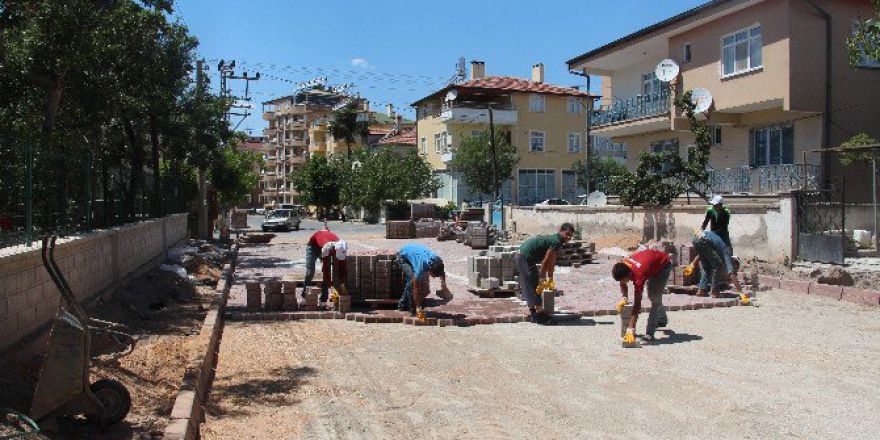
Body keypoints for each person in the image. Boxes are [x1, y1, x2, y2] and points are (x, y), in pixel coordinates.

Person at [515, 223, 575, 325]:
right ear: (561, 231)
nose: (568, 237)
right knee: (533, 285)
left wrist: (550, 277)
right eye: (567, 234)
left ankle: (537, 312)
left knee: (533, 284)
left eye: (571, 235)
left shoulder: (558, 241)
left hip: (526, 256)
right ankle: (536, 314)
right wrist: (543, 277)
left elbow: (552, 260)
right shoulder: (557, 240)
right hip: (524, 256)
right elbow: (545, 261)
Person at [612, 249, 673, 342]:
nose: (623, 282)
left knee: (654, 298)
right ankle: (662, 319)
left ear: (629, 274)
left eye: (624, 280)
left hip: (663, 266)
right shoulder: (623, 265)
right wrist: (624, 298)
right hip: (651, 264)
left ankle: (650, 334)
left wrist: (630, 329)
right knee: (653, 296)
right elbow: (622, 282)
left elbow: (637, 305)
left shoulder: (638, 276)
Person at [396, 243, 452, 315]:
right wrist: (418, 307)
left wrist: (444, 286)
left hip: (413, 252)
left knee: (415, 281)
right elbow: (416, 288)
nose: (434, 277)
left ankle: (403, 304)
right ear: (430, 270)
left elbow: (442, 273)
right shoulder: (420, 268)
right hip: (402, 257)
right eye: (433, 275)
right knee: (411, 282)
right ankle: (407, 307)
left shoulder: (436, 260)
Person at [688, 230, 743, 298]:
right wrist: (741, 294)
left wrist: (692, 264)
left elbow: (700, 254)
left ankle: (701, 290)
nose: (734, 269)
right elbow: (731, 274)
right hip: (703, 239)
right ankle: (714, 292)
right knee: (718, 265)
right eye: (735, 267)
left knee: (707, 266)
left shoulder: (718, 248)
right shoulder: (726, 253)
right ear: (733, 261)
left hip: (695, 238)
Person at [302, 229, 348, 306]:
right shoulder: (327, 249)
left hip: (326, 244)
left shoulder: (342, 246)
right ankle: (304, 297)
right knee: (310, 271)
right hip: (313, 247)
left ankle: (323, 301)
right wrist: (331, 286)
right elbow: (326, 270)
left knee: (328, 274)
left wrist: (341, 283)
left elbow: (342, 266)